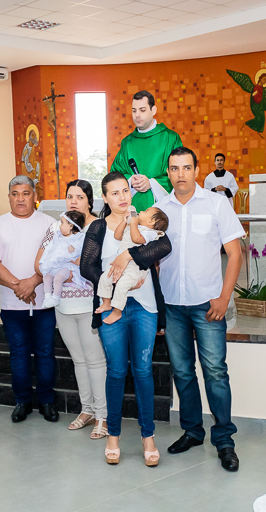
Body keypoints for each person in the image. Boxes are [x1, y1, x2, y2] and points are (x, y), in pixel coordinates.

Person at [155, 147, 244, 472]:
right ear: (169, 172)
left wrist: (223, 298)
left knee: (216, 373)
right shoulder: (159, 209)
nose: (180, 174)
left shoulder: (216, 203)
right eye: (175, 168)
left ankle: (224, 441)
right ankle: (192, 431)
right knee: (182, 372)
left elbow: (235, 254)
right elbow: (151, 257)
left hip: (209, 306)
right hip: (173, 306)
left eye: (186, 168)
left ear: (196, 170)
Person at [80, 172, 173, 466]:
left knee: (143, 371)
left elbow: (163, 247)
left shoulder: (144, 220)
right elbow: (86, 266)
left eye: (125, 191)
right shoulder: (97, 227)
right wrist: (114, 278)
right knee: (117, 371)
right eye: (115, 193)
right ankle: (114, 435)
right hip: (111, 308)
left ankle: (148, 437)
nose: (122, 197)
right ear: (105, 198)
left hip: (144, 307)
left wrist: (127, 257)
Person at [35, 180, 107, 439]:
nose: (74, 201)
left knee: (95, 360)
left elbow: (100, 264)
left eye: (79, 196)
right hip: (63, 303)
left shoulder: (99, 227)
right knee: (78, 359)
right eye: (69, 196)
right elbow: (39, 262)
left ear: (90, 200)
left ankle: (102, 415)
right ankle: (86, 409)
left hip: (90, 303)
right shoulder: (57, 226)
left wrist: (72, 264)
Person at [0, 175, 58, 423]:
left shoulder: (51, 224)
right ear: (9, 197)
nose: (20, 198)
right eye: (15, 193)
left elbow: (55, 261)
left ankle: (47, 401)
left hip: (43, 303)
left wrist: (33, 282)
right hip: (11, 304)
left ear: (35, 197)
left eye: (26, 193)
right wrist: (19, 286)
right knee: (18, 353)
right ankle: (22, 401)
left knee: (45, 353)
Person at [110, 90, 183, 211]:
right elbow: (114, 175)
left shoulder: (170, 138)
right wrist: (129, 181)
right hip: (131, 211)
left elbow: (180, 173)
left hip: (164, 212)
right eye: (134, 110)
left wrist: (152, 183)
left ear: (153, 110)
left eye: (142, 110)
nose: (137, 115)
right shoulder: (127, 143)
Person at [94, 206, 168, 324]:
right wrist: (124, 222)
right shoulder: (134, 227)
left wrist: (133, 223)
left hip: (135, 267)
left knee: (122, 285)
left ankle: (117, 312)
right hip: (121, 265)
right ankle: (106, 303)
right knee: (105, 278)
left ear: (152, 221)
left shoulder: (150, 233)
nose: (142, 210)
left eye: (146, 211)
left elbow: (136, 239)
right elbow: (117, 236)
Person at [38, 211, 86, 309]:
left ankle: (55, 298)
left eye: (62, 223)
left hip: (68, 266)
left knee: (58, 278)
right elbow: (50, 248)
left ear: (71, 226)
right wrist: (45, 261)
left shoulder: (79, 237)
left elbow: (81, 246)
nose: (60, 225)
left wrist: (74, 247)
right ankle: (47, 297)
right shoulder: (58, 236)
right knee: (47, 276)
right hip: (55, 264)